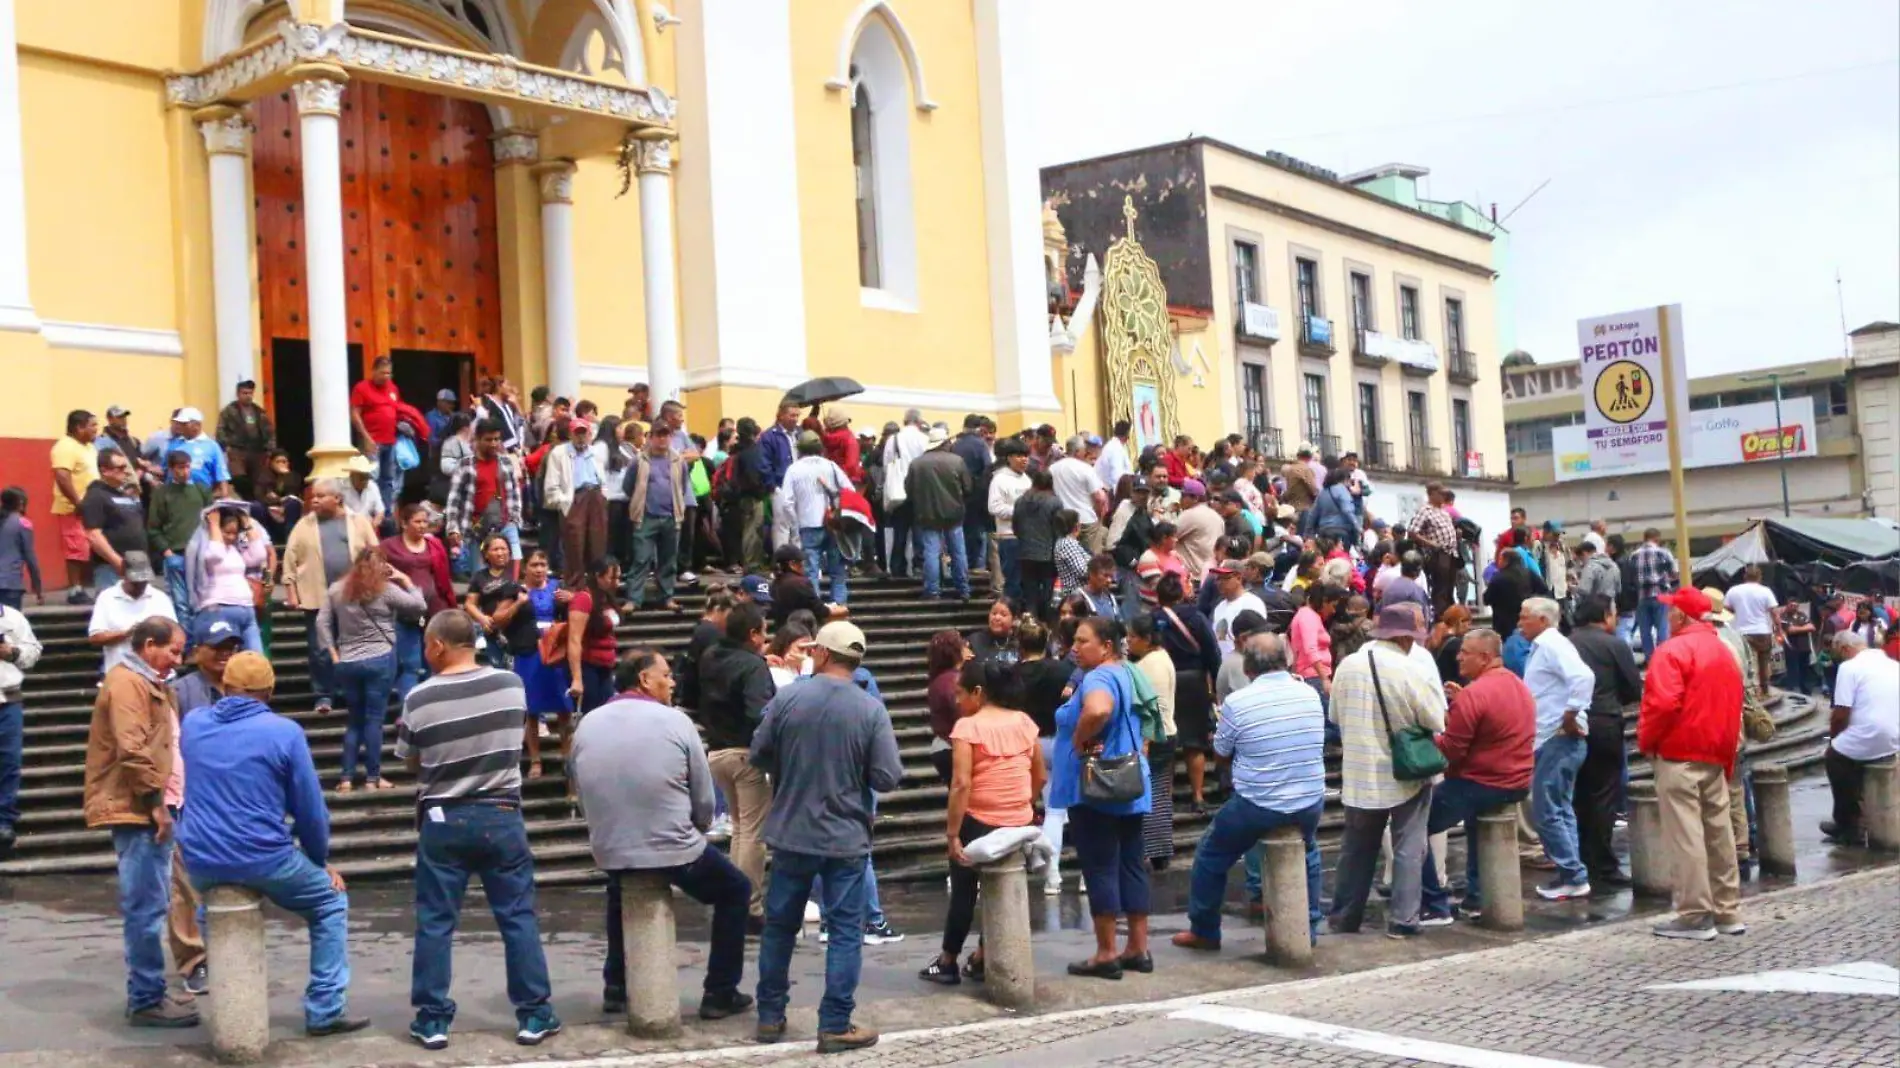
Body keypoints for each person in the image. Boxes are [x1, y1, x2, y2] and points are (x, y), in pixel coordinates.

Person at [175, 650, 365, 1035]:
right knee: (330, 901)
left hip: (201, 857)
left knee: (208, 904)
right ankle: (325, 1009)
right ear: (269, 690)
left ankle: (225, 990)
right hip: (264, 856)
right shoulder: (284, 732)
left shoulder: (193, 724)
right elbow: (310, 812)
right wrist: (318, 861)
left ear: (224, 686)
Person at [394, 610, 559, 1049]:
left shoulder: (419, 698)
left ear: (436, 647)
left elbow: (412, 760)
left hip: (442, 819)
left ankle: (432, 1020)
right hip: (501, 813)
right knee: (516, 916)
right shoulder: (511, 685)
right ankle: (534, 1013)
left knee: (435, 921)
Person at [578, 648, 755, 1021]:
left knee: (620, 884)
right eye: (666, 675)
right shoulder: (675, 721)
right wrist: (698, 827)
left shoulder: (588, 722)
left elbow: (580, 786)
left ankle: (616, 986)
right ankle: (720, 991)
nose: (673, 682)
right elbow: (705, 800)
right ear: (644, 679)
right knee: (736, 889)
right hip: (673, 847)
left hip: (610, 845)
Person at [749, 621, 901, 1053]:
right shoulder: (870, 709)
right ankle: (834, 1023)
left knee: (779, 926)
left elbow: (758, 751)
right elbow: (888, 775)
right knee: (846, 930)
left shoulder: (789, 698)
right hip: (845, 836)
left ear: (822, 654)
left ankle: (769, 1014)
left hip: (792, 831)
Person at [1172, 631, 1325, 950]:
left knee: (1210, 854)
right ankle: (1308, 927)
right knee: (1308, 850)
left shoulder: (1238, 703)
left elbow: (1222, 756)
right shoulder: (1309, 694)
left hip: (1259, 802)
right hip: (1309, 799)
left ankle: (1204, 929)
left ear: (1248, 668)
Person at [85, 617, 198, 1026]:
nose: (178, 658)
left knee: (156, 901)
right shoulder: (127, 684)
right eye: (173, 650)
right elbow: (132, 748)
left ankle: (150, 992)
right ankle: (147, 998)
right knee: (146, 907)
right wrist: (155, 802)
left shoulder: (149, 681)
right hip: (141, 810)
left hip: (158, 805)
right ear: (150, 645)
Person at [919, 658, 1045, 984]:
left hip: (978, 820)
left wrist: (952, 834)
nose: (957, 700)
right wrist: (1022, 804)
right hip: (1018, 821)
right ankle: (983, 955)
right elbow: (1040, 776)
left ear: (978, 692)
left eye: (961, 693)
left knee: (964, 890)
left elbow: (961, 784)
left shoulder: (968, 728)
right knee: (1003, 885)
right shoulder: (1025, 722)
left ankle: (948, 960)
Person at [1327, 605, 1446, 938]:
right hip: (1404, 771)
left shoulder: (1347, 666)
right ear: (1407, 637)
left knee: (1356, 849)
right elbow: (1436, 719)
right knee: (1409, 845)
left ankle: (1344, 917)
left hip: (1360, 773)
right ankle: (1403, 920)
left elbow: (1335, 716)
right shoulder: (1410, 670)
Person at [1049, 616, 1153, 979]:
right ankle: (1138, 947)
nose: (1074, 647)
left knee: (1100, 867)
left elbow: (1098, 709)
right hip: (1130, 779)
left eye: (1083, 641)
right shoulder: (1129, 672)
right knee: (1130, 863)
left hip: (1098, 787)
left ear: (1106, 645)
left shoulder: (1097, 676)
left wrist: (1078, 739)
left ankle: (1107, 951)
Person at [1639, 586, 1745, 940]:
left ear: (1681, 616)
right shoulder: (1722, 649)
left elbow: (1663, 704)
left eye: (1671, 612)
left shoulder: (1672, 651)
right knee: (1719, 833)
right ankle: (1726, 910)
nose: (1667, 616)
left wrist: (1648, 742)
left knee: (1686, 835)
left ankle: (1694, 913)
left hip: (1679, 752)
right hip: (1715, 751)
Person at [316, 544, 424, 792]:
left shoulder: (337, 589)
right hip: (380, 659)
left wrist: (333, 653)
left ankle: (345, 778)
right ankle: (373, 779)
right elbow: (419, 607)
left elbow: (322, 622)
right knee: (373, 721)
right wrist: (406, 579)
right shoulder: (386, 590)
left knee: (354, 720)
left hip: (347, 661)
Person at [699, 602, 776, 929]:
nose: (766, 637)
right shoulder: (752, 665)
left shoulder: (710, 657)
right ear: (752, 634)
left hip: (717, 752)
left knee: (741, 830)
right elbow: (759, 713)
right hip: (745, 753)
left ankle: (736, 898)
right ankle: (749, 905)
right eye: (763, 631)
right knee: (752, 833)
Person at [1517, 596, 1596, 900]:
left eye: (1525, 617)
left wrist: (1572, 713)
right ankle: (1571, 871)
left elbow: (1583, 677)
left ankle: (1572, 874)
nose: (1520, 623)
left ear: (1543, 620)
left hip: (1556, 737)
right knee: (1559, 807)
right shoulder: (1544, 645)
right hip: (1552, 737)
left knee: (1548, 809)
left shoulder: (1552, 644)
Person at [1560, 594, 1641, 892]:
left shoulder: (1565, 643)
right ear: (1606, 615)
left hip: (1568, 724)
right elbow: (1634, 687)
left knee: (1575, 794)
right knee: (1604, 795)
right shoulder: (1615, 645)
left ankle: (1579, 856)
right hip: (1604, 722)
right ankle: (1602, 863)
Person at [1821, 631, 1900, 844]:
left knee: (1834, 759)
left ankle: (1847, 824)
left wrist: (1833, 739)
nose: (1840, 659)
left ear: (1845, 649)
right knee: (1850, 753)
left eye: (1839, 654)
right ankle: (1856, 816)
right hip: (1892, 736)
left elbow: (1841, 714)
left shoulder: (1849, 668)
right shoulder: (1893, 665)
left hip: (1869, 737)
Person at [1154, 573, 1219, 812]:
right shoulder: (1196, 617)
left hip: (1161, 681)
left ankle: (1164, 798)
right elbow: (1212, 652)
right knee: (1195, 743)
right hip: (1193, 681)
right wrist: (1215, 685)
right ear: (1181, 593)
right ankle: (1198, 796)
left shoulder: (1152, 619)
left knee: (1165, 743)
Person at [1125, 614, 1178, 868]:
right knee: (1159, 792)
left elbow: (1152, 707)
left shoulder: (1148, 665)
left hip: (1155, 736)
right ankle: (1160, 850)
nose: (1128, 641)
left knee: (1151, 794)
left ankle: (1155, 851)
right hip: (1166, 733)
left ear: (1146, 639)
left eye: (1132, 637)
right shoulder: (1161, 657)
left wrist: (1145, 741)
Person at [443, 421, 526, 576]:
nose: (494, 443)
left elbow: (515, 493)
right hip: (477, 527)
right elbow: (454, 500)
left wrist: (515, 519)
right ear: (477, 439)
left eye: (497, 439)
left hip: (506, 523)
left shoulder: (506, 462)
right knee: (480, 577)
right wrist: (453, 527)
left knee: (513, 568)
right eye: (489, 439)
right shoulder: (465, 465)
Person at [622, 426, 689, 613]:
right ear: (650, 437)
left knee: (669, 560)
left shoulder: (678, 460)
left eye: (666, 435)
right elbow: (628, 487)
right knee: (641, 558)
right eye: (658, 435)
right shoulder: (638, 461)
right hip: (646, 517)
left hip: (671, 516)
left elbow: (681, 487)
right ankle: (633, 599)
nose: (662, 440)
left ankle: (666, 597)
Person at [783, 430, 854, 606]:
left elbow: (786, 503)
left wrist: (794, 525)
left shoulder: (793, 469)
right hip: (833, 524)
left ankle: (814, 605)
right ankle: (839, 605)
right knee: (837, 569)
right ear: (820, 448)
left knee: (810, 571)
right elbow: (849, 490)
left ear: (800, 449)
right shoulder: (830, 466)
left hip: (807, 524)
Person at [192, 504, 272, 653]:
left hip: (247, 609)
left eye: (235, 533)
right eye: (227, 532)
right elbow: (215, 555)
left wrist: (246, 524)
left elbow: (259, 555)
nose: (232, 537)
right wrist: (214, 525)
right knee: (227, 656)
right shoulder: (206, 549)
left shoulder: (235, 549)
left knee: (256, 656)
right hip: (221, 608)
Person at [907, 426, 975, 601]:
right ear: (945, 442)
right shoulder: (957, 461)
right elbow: (968, 488)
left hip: (927, 514)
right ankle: (963, 589)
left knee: (931, 552)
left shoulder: (917, 463)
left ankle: (933, 590)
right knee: (958, 552)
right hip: (954, 513)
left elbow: (909, 490)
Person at [87, 552, 177, 676]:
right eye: (135, 582)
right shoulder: (107, 598)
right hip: (121, 677)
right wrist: (127, 633)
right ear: (123, 575)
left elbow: (175, 636)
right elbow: (95, 637)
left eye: (143, 581)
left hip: (158, 676)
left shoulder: (160, 598)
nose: (140, 586)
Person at [0, 595, 42, 859]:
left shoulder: (13, 618)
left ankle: (4, 819)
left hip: (8, 698)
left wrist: (12, 652)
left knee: (9, 762)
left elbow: (33, 652)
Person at [544, 419, 609, 587]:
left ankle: (597, 590)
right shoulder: (559, 453)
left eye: (584, 433)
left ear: (590, 435)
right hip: (575, 499)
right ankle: (575, 589)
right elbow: (551, 484)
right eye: (577, 433)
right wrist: (564, 502)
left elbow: (603, 478)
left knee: (598, 547)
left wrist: (604, 497)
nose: (581, 437)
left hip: (595, 497)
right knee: (574, 547)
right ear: (571, 434)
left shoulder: (597, 453)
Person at [52, 410, 103, 602]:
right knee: (76, 548)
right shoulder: (65, 447)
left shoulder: (90, 447)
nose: (95, 430)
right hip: (73, 508)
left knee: (94, 546)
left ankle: (94, 586)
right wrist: (78, 502)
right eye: (92, 425)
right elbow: (62, 477)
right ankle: (75, 589)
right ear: (78, 427)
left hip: (92, 506)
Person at [563, 557, 623, 717]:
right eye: (612, 578)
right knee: (591, 715)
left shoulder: (605, 598)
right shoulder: (583, 599)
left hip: (606, 666)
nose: (616, 583)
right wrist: (577, 678)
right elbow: (574, 639)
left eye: (618, 578)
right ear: (598, 576)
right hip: (588, 666)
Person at [81, 447, 147, 589]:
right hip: (112, 567)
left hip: (138, 561)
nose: (127, 471)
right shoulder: (95, 496)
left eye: (127, 466)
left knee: (141, 607)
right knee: (114, 607)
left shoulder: (126, 494)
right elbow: (93, 535)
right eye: (121, 467)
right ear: (105, 470)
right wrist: (117, 562)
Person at [349, 356, 406, 513]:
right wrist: (366, 438)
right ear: (373, 371)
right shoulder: (362, 388)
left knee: (388, 480)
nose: (386, 377)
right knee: (371, 478)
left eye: (389, 373)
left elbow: (396, 410)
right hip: (372, 441)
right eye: (383, 373)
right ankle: (369, 512)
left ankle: (385, 514)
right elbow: (355, 414)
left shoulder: (393, 388)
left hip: (390, 441)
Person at [1012, 468, 1063, 620]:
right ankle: (1047, 627)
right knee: (1048, 594)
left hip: (1025, 553)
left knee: (1030, 594)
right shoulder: (1055, 502)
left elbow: (1016, 527)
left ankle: (1030, 625)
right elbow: (1058, 530)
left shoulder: (1020, 501)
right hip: (1048, 554)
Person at [1724, 565, 1781, 696]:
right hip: (1763, 631)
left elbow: (1726, 609)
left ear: (1745, 577)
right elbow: (1775, 613)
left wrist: (1739, 612)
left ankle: (1750, 692)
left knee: (1747, 662)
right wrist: (1779, 630)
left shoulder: (1734, 590)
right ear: (1759, 577)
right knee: (1764, 663)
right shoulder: (1766, 591)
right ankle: (1765, 690)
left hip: (1742, 633)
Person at [215, 381, 277, 499]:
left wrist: (270, 449)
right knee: (239, 478)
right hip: (237, 450)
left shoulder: (259, 412)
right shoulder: (229, 411)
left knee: (260, 481)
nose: (248, 396)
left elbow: (269, 431)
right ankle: (244, 499)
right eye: (245, 393)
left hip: (257, 451)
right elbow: (220, 430)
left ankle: (257, 504)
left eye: (250, 393)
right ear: (238, 394)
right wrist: (227, 446)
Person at [1050, 436, 1109, 553]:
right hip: (1086, 519)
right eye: (1084, 450)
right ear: (1077, 452)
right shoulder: (1085, 468)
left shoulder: (1052, 469)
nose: (1086, 453)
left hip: (1063, 520)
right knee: (1092, 559)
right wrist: (1098, 517)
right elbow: (1100, 498)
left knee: (1067, 557)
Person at [1629, 528, 1680, 658]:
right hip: (1661, 594)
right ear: (1657, 538)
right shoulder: (1663, 553)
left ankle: (1650, 660)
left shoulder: (1634, 555)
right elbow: (1674, 573)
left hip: (1642, 596)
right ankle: (1663, 658)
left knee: (1645, 631)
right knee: (1662, 628)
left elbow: (1631, 576)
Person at [1208, 563, 1267, 658]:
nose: (1219, 582)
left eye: (1224, 578)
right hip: (1223, 665)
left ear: (1239, 578)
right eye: (1218, 579)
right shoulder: (1219, 607)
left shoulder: (1252, 603)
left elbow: (1259, 637)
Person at [1172, 479, 1224, 585]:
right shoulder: (1217, 516)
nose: (1180, 499)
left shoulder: (1190, 514)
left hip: (1193, 577)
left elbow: (1166, 537)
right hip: (1211, 575)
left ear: (1195, 498)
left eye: (1183, 496)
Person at [0, 487, 43, 610]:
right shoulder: (23, 523)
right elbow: (30, 558)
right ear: (21, 503)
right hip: (10, 584)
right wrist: (38, 588)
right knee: (10, 625)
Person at [967, 599, 1020, 666]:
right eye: (994, 613)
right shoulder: (974, 641)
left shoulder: (1020, 643)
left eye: (1003, 615)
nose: (996, 618)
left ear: (1014, 619)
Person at [340, 454, 387, 529]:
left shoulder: (372, 486)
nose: (365, 480)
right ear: (352, 475)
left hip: (368, 525)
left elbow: (380, 511)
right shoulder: (341, 488)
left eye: (366, 476)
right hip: (348, 526)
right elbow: (340, 511)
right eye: (361, 477)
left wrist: (374, 524)